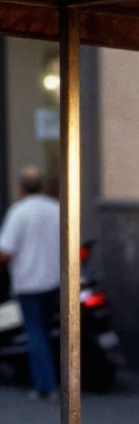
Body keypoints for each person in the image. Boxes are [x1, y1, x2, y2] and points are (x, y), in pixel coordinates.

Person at [0, 165, 60, 400]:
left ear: (21, 188)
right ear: (42, 186)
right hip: (54, 281)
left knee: (35, 334)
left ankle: (46, 385)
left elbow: (6, 250)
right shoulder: (56, 209)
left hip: (28, 282)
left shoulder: (19, 212)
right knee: (48, 331)